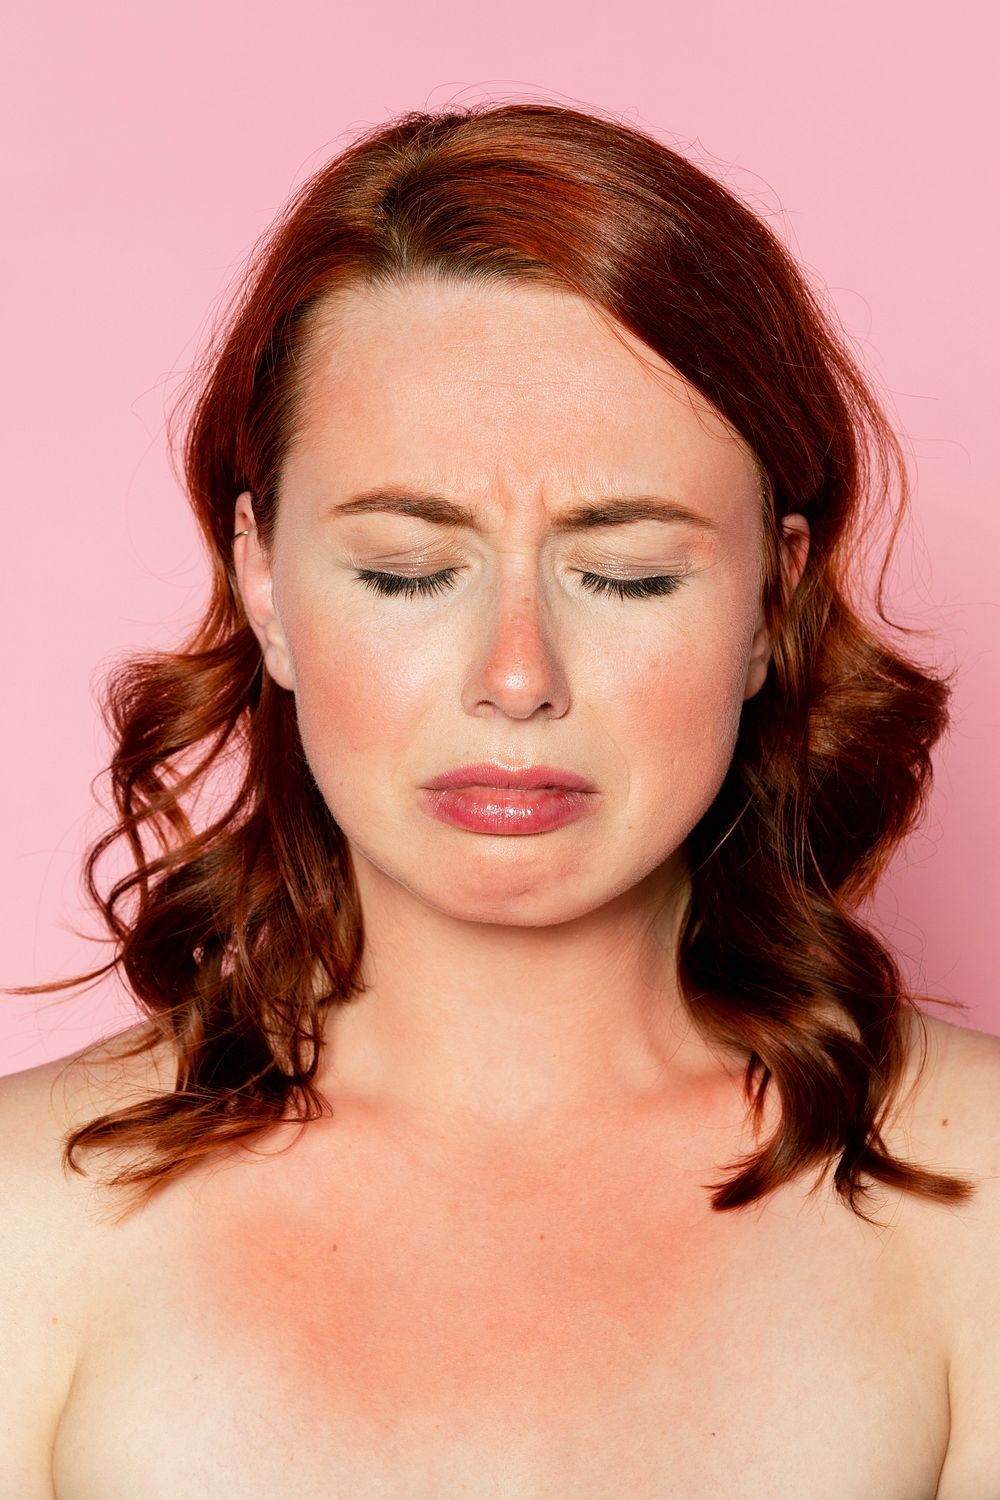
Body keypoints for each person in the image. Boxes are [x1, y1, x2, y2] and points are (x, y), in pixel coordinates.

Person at [2, 100, 998, 1498]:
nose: (517, 677)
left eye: (631, 574)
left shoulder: (984, 1207)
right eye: (408, 570)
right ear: (264, 588)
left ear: (772, 601)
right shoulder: (25, 1226)